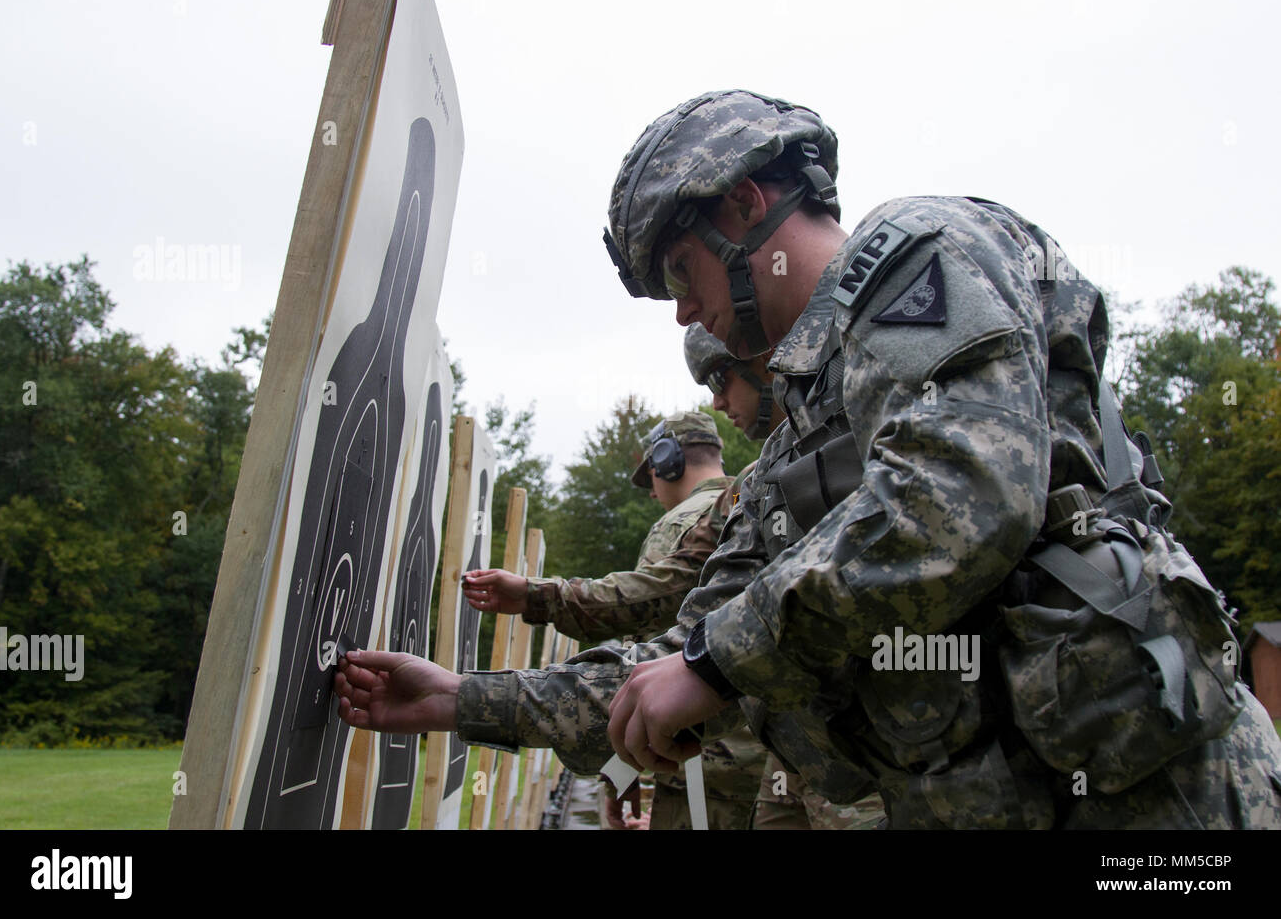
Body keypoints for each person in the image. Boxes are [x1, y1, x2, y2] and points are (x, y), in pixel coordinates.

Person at [339, 90, 1281, 828]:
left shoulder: (924, 251)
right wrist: (465, 700)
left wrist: (716, 659)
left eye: (677, 272)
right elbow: (684, 649)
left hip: (1159, 801)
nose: (680, 312)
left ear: (746, 206)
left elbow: (958, 499)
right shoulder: (795, 444)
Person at [461, 411, 767, 829]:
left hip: (706, 764)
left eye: (651, 478)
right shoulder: (758, 493)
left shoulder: (677, 524)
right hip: (774, 757)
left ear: (667, 460)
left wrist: (617, 770)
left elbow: (641, 658)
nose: (652, 493)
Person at [685, 321, 883, 830]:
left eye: (718, 381)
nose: (717, 403)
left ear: (761, 359)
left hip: (878, 758)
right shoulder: (768, 472)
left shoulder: (871, 418)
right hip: (804, 748)